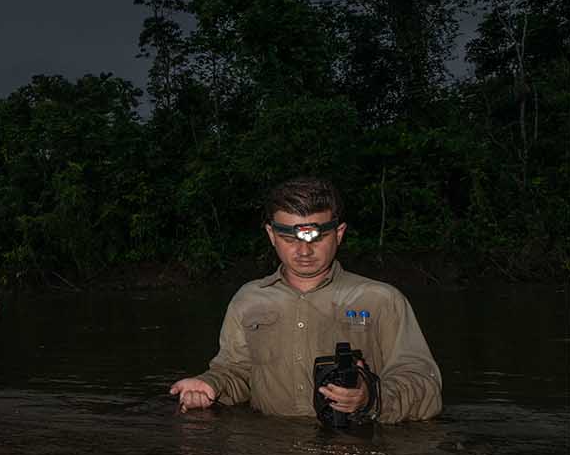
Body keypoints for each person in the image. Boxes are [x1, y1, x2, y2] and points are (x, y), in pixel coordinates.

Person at [168, 176, 443, 424]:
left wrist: (369, 397)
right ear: (271, 235)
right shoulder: (248, 300)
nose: (303, 250)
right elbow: (237, 372)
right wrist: (209, 384)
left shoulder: (380, 299)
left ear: (339, 233)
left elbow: (423, 384)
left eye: (317, 237)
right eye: (290, 237)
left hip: (354, 454)